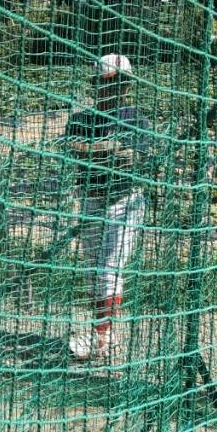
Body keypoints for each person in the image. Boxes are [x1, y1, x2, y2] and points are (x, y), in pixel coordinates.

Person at [65, 54, 152, 361]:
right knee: (93, 271)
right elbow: (73, 149)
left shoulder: (136, 119)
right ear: (97, 85)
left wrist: (98, 151)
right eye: (107, 84)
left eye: (120, 84)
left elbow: (133, 159)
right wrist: (108, 150)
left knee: (108, 269)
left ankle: (100, 336)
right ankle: (105, 332)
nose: (114, 90)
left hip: (124, 201)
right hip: (91, 199)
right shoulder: (82, 119)